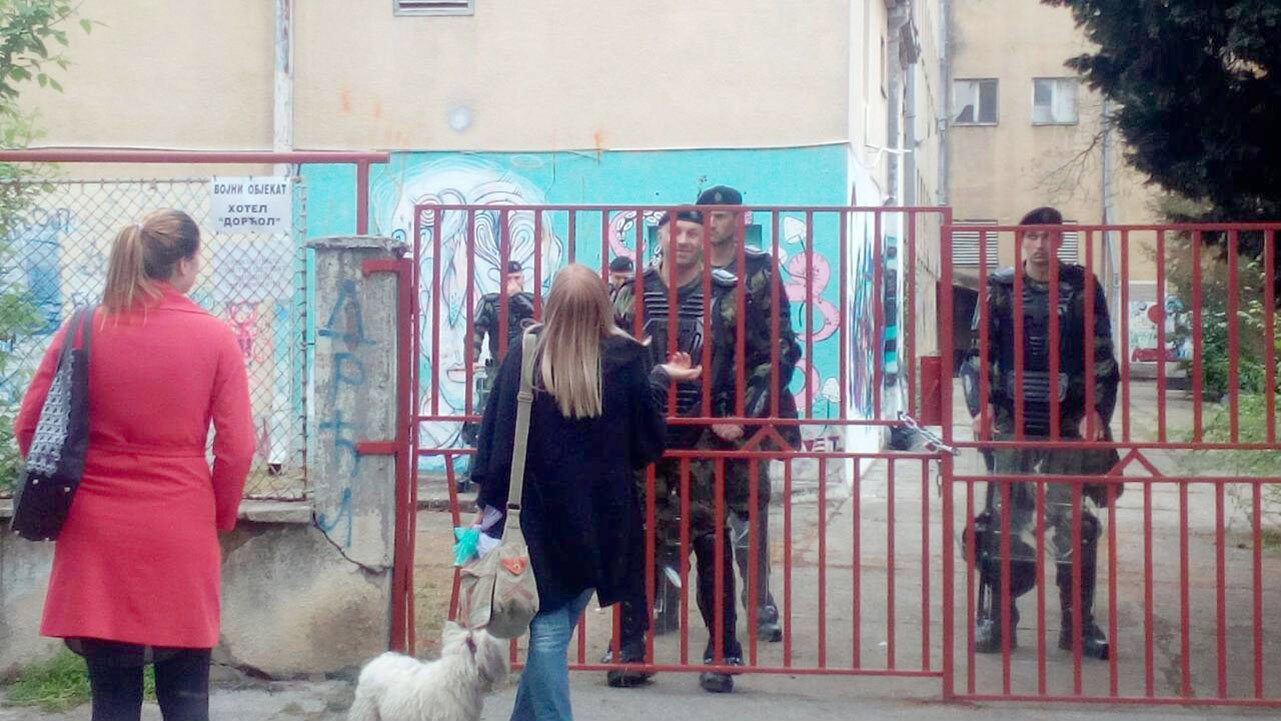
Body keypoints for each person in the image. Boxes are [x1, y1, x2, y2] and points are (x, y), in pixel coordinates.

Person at [14, 210, 256, 721]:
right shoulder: (215, 337)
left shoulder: (83, 327)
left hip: (96, 529)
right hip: (180, 524)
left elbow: (30, 426)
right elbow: (237, 448)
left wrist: (68, 486)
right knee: (187, 696)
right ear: (184, 263)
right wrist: (219, 515)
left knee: (112, 700)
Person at [471, 264, 696, 721]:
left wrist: (487, 505)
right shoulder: (626, 357)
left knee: (550, 624)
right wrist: (657, 380)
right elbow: (646, 445)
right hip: (602, 515)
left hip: (536, 513)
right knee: (554, 627)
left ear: (552, 304)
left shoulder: (525, 352)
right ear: (602, 305)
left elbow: (496, 436)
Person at [611, 209, 765, 693]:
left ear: (703, 240)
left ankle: (722, 651)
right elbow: (607, 358)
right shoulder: (630, 293)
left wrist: (739, 413)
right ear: (659, 236)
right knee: (636, 541)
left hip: (704, 440)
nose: (682, 240)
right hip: (643, 436)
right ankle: (630, 649)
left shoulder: (728, 294)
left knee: (711, 542)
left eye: (692, 232)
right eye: (673, 231)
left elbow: (763, 358)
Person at [965, 206, 1120, 660]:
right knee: (1003, 520)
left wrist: (1096, 410)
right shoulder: (999, 288)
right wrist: (981, 406)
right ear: (1022, 241)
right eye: (1032, 236)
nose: (1039, 245)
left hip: (1068, 421)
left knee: (1074, 523)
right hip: (1013, 419)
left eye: (1048, 236)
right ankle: (999, 617)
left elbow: (1102, 353)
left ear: (1060, 240)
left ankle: (1078, 623)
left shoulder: (1082, 287)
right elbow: (977, 354)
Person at [696, 185, 802, 643]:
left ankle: (758, 601)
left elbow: (781, 346)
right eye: (706, 215)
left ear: (741, 219)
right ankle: (662, 600)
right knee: (674, 508)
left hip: (746, 413)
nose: (712, 223)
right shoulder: (684, 268)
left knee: (748, 512)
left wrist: (746, 412)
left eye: (722, 215)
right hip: (692, 409)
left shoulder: (759, 271)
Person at [461, 260, 539, 453]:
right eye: (508, 279)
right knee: (485, 415)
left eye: (517, 278)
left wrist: (517, 296)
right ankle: (477, 459)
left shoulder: (533, 300)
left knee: (534, 414)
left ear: (523, 278)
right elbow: (476, 330)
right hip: (499, 367)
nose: (513, 282)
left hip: (531, 367)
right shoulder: (490, 302)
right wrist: (472, 358)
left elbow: (542, 319)